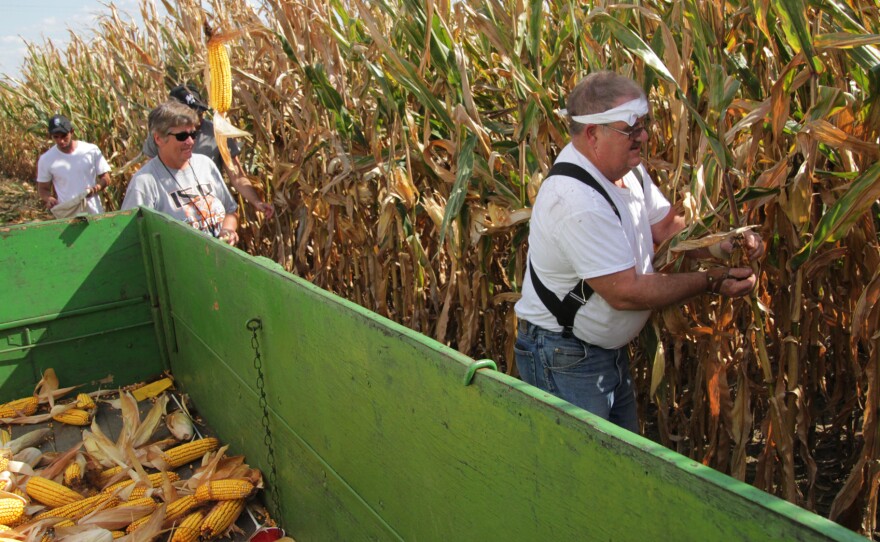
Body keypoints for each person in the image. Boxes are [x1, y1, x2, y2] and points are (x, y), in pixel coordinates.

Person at [514, 71, 765, 433]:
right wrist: (711, 280)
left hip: (599, 353)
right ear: (592, 133)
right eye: (630, 129)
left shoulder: (625, 170)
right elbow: (626, 292)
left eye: (644, 125)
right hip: (563, 356)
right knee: (581, 475)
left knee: (616, 465)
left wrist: (727, 246)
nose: (643, 136)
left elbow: (665, 228)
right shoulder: (575, 200)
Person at [142, 84, 274, 218]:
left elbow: (237, 176)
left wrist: (256, 202)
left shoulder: (217, 133)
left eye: (199, 113)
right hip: (175, 211)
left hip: (209, 210)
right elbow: (152, 175)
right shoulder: (161, 137)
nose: (197, 119)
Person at [122, 101, 239, 246]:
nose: (190, 141)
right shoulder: (144, 183)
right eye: (182, 136)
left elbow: (230, 211)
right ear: (158, 138)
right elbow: (131, 238)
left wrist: (228, 230)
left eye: (193, 134)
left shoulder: (205, 164)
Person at [36, 114, 112, 216]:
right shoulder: (46, 159)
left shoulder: (91, 150)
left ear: (72, 131)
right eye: (56, 137)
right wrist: (48, 198)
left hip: (94, 211)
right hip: (68, 213)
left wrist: (95, 189)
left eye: (64, 136)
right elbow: (43, 188)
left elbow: (106, 178)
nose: (61, 141)